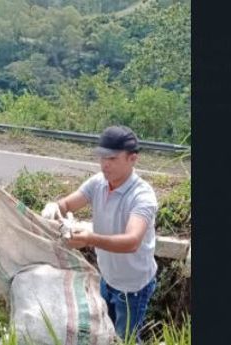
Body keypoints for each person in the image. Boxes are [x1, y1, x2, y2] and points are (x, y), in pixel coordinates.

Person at [41, 125, 158, 343]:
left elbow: (131, 242)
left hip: (133, 287)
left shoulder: (142, 196)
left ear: (133, 159)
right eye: (102, 158)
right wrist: (55, 208)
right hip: (108, 278)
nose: (105, 164)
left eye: (112, 158)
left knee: (126, 338)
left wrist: (88, 238)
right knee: (106, 332)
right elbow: (68, 203)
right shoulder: (98, 183)